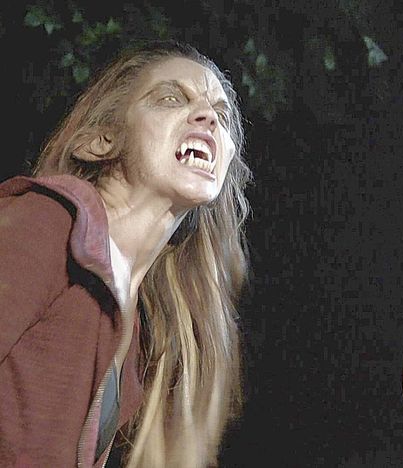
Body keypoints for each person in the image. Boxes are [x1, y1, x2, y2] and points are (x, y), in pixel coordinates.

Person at [0, 41, 251, 467]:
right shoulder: (46, 223)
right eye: (171, 98)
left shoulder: (131, 325)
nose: (208, 117)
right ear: (101, 140)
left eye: (221, 115)